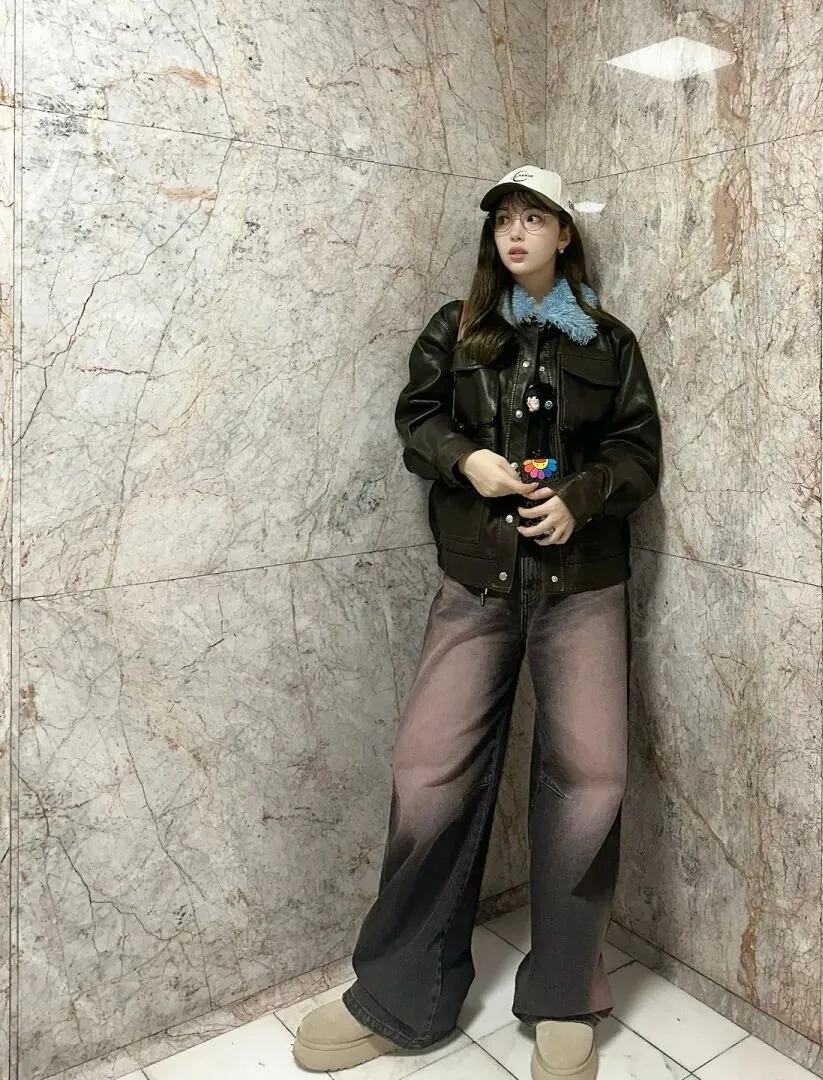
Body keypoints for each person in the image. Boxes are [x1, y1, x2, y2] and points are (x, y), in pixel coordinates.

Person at [292, 166, 662, 1080]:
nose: (516, 232)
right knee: (428, 772)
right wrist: (467, 461)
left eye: (535, 217)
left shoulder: (609, 340)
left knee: (591, 780)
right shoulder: (454, 329)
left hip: (582, 582)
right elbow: (417, 418)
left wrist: (581, 496)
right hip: (476, 580)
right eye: (504, 219)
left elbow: (636, 450)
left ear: (565, 233)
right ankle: (399, 995)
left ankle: (565, 994)